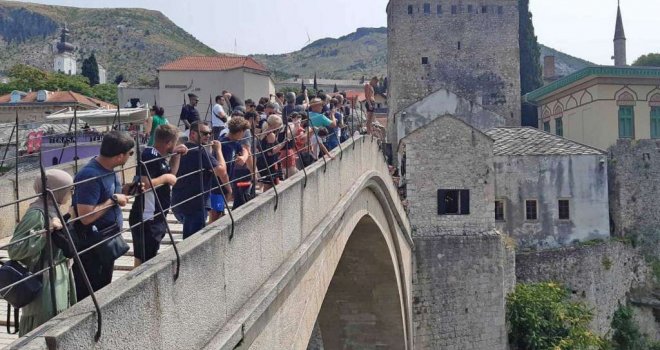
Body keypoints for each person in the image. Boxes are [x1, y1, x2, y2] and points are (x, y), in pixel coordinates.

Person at [8, 169, 76, 336]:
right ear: (57, 191)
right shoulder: (36, 213)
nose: (71, 193)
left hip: (58, 272)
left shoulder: (53, 208)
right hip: (44, 277)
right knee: (43, 324)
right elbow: (15, 249)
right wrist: (46, 232)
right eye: (69, 189)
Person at [72, 131, 135, 301]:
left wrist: (126, 191)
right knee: (90, 296)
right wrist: (113, 200)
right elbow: (84, 216)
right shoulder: (90, 175)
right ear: (120, 156)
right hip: (93, 247)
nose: (131, 157)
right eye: (130, 153)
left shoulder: (109, 169)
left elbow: (107, 195)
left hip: (106, 242)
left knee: (103, 291)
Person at [129, 124, 187, 266]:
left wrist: (176, 155)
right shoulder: (149, 155)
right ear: (168, 143)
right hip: (147, 217)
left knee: (147, 257)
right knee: (144, 261)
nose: (175, 145)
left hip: (156, 216)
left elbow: (172, 174)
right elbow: (143, 184)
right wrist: (165, 178)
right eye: (174, 143)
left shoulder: (160, 157)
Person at [171, 122, 231, 239]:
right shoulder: (201, 152)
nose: (208, 136)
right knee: (192, 242)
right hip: (196, 205)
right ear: (193, 134)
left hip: (178, 203)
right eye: (204, 133)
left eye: (209, 133)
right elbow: (222, 171)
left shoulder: (180, 150)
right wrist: (218, 150)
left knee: (188, 239)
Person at [220, 117, 253, 209]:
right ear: (239, 132)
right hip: (220, 185)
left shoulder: (234, 141)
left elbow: (244, 149)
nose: (244, 136)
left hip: (229, 181)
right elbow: (223, 171)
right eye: (244, 132)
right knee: (216, 214)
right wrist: (229, 189)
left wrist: (243, 157)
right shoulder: (225, 145)